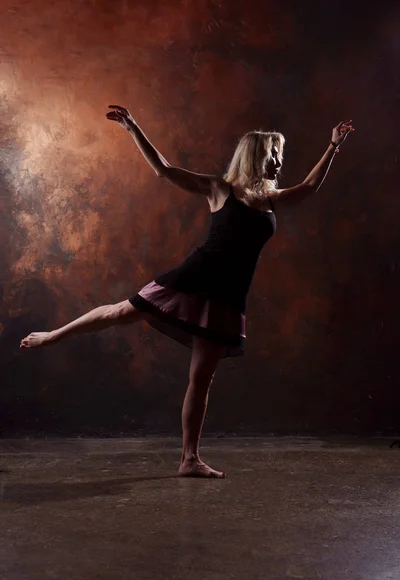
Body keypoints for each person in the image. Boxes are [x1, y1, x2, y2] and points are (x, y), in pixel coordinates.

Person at [20, 106, 354, 478]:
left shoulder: (271, 200)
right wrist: (134, 128)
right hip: (193, 278)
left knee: (202, 378)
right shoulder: (219, 189)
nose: (279, 161)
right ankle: (53, 335)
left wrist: (333, 147)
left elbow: (308, 187)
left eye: (280, 154)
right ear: (254, 157)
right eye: (273, 154)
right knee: (120, 313)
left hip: (228, 296)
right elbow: (164, 170)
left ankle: (189, 459)